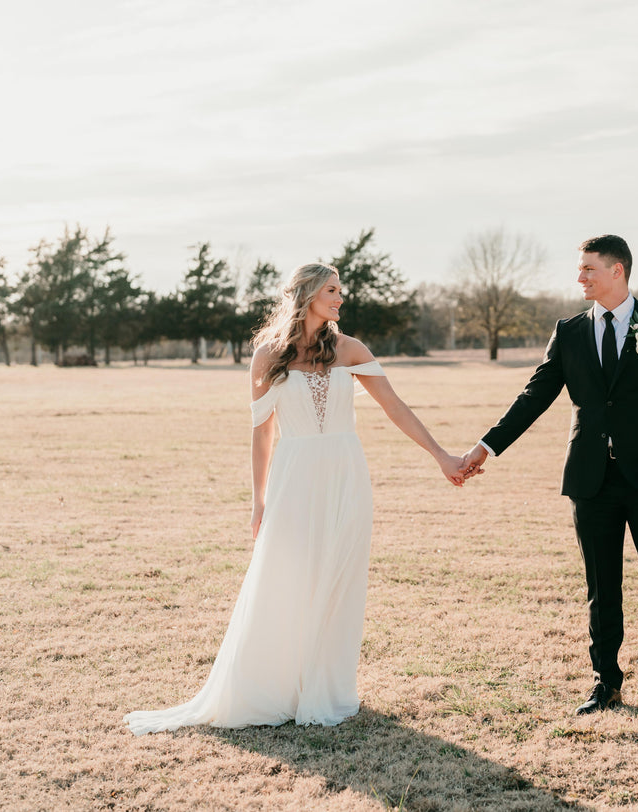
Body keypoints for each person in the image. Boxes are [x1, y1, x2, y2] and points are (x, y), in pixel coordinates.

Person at [125, 263, 467, 734]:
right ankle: (276, 688)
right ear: (306, 294)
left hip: (346, 473)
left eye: (340, 291)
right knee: (286, 578)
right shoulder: (267, 355)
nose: (340, 298)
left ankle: (326, 689)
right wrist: (257, 501)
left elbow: (395, 407)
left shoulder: (350, 349)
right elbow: (261, 432)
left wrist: (441, 456)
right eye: (332, 290)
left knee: (339, 580)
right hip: (294, 476)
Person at [461, 235, 638, 715]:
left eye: (589, 268)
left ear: (618, 271)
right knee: (600, 587)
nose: (580, 277)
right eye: (580, 269)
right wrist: (487, 447)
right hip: (590, 479)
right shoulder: (568, 332)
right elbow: (535, 395)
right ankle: (605, 683)